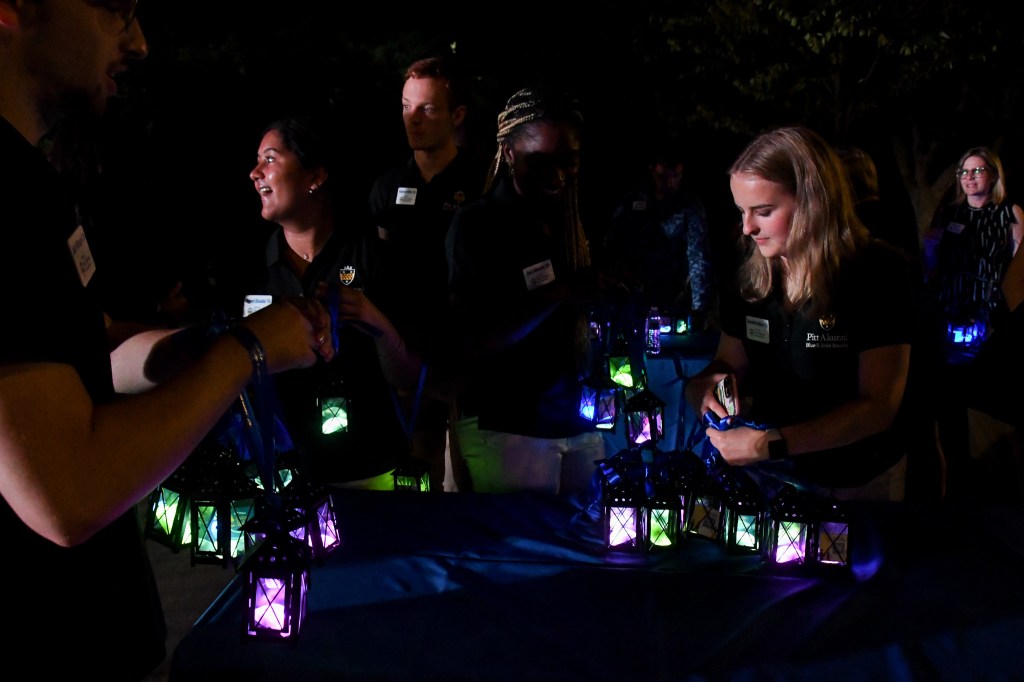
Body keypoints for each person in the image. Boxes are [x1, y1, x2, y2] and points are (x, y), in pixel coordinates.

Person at [0, 2, 334, 679]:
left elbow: (90, 355)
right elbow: (68, 494)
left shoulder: (33, 182)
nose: (140, 42)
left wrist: (200, 348)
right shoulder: (4, 193)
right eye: (114, 9)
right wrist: (246, 353)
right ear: (18, 7)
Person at [684, 126, 919, 502]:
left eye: (763, 212)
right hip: (770, 477)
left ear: (813, 202)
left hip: (853, 481)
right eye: (741, 211)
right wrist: (701, 389)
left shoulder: (878, 272)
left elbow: (877, 408)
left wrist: (772, 443)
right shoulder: (749, 277)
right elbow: (728, 363)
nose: (748, 228)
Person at [442, 86, 614, 497]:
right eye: (541, 161)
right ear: (509, 153)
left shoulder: (573, 222)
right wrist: (561, 292)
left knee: (588, 534)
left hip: (578, 421)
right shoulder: (478, 226)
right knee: (523, 537)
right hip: (510, 426)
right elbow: (470, 341)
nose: (558, 175)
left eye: (569, 161)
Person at [244, 114, 418, 489]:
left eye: (270, 159)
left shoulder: (371, 256)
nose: (255, 173)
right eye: (257, 161)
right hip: (285, 478)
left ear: (315, 176)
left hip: (370, 470)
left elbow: (409, 378)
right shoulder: (250, 270)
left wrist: (375, 322)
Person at [367, 55, 488, 491]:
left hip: (470, 353)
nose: (413, 119)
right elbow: (373, 270)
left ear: (457, 115)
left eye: (427, 108)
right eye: (406, 106)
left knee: (474, 477)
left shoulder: (482, 181)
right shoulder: (387, 187)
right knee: (417, 469)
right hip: (409, 353)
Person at [604, 140, 718, 331]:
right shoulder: (633, 201)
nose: (670, 183)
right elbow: (613, 244)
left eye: (675, 176)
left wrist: (700, 309)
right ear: (652, 170)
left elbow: (698, 257)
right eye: (663, 176)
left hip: (672, 297)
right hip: (632, 294)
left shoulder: (689, 205)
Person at [923, 146, 1024, 353]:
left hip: (991, 314)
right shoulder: (951, 212)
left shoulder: (1010, 213)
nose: (969, 177)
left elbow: (1019, 269)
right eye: (964, 171)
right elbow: (934, 261)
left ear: (994, 175)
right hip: (949, 311)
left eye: (977, 171)